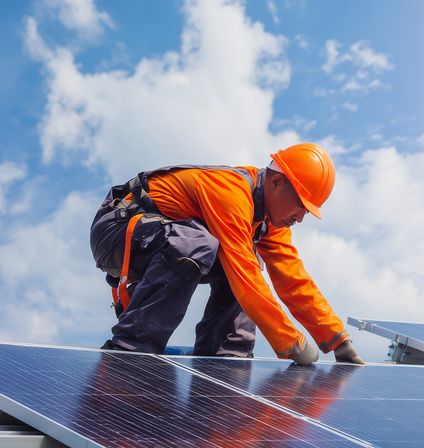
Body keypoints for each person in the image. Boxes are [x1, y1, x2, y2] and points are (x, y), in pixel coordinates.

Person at [89, 143, 364, 365]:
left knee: (244, 258)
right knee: (204, 245)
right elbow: (245, 278)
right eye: (301, 206)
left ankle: (224, 358)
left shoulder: (268, 221)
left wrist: (336, 340)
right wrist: (291, 343)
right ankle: (135, 348)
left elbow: (294, 280)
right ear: (277, 183)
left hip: (159, 239)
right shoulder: (231, 194)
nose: (301, 218)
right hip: (117, 229)